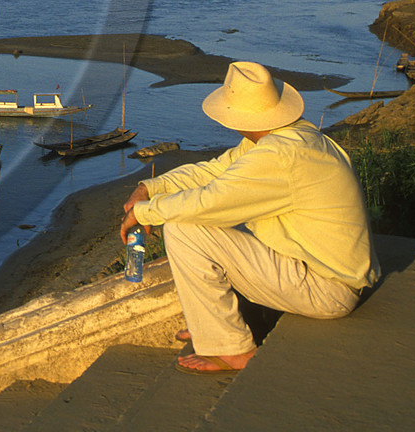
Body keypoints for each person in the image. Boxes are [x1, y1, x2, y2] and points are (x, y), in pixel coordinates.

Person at [120, 60, 380, 374]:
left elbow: (210, 200)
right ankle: (210, 323)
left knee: (184, 229)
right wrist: (150, 187)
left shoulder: (279, 156)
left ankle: (232, 349)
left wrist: (145, 212)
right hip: (325, 272)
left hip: (327, 290)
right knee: (203, 221)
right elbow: (214, 171)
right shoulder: (289, 137)